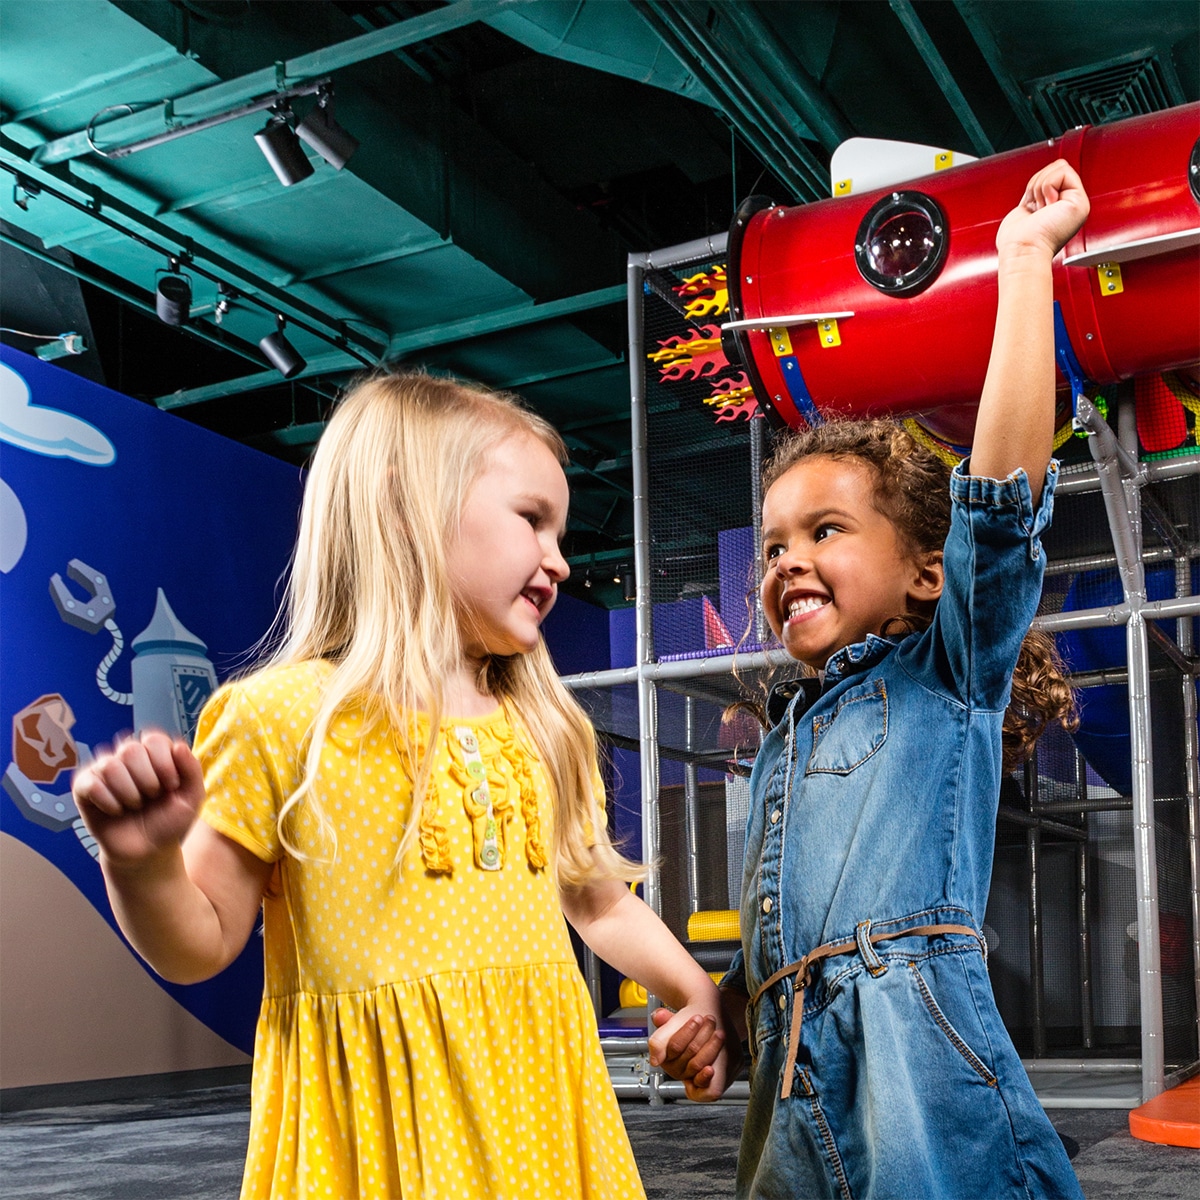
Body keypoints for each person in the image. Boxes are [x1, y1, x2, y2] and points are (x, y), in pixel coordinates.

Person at [72, 372, 733, 1200]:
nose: (561, 560)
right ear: (406, 509)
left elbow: (597, 902)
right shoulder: (278, 718)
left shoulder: (543, 724)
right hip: (374, 1140)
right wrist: (139, 866)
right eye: (533, 519)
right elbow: (201, 941)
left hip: (540, 1122)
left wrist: (697, 991)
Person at [656, 160, 1091, 1198]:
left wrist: (1025, 261)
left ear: (925, 573)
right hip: (799, 1119)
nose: (785, 561)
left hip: (920, 1096)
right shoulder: (779, 750)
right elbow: (784, 940)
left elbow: (999, 498)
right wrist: (722, 1022)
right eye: (769, 547)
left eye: (825, 531)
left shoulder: (948, 672)